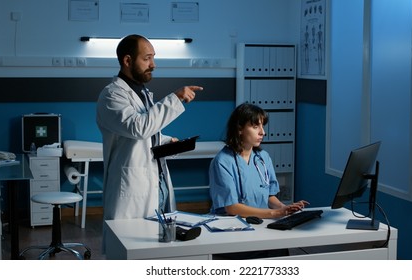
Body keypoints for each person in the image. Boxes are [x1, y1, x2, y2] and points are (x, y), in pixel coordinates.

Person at [96, 34, 203, 234]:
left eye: (153, 57)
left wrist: (166, 142)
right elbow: (139, 128)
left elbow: (145, 135)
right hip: (132, 187)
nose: (153, 64)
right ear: (127, 61)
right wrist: (176, 98)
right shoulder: (111, 95)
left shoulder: (142, 93)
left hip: (157, 183)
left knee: (159, 245)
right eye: (147, 58)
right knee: (131, 245)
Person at [209, 103, 309, 219]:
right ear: (239, 129)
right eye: (255, 127)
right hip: (231, 224)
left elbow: (269, 196)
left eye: (263, 126)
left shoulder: (263, 157)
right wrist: (274, 213)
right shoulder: (222, 162)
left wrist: (284, 208)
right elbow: (231, 207)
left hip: (260, 221)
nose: (262, 132)